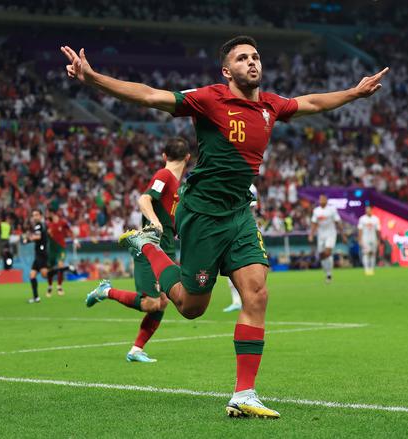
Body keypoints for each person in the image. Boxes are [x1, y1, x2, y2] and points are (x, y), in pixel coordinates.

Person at [62, 35, 388, 419]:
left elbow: (313, 102)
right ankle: (148, 246)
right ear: (226, 70)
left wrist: (354, 92)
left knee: (258, 293)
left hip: (238, 214)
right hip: (201, 214)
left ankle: (244, 394)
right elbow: (150, 95)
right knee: (189, 306)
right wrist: (94, 78)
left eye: (255, 57)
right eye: (242, 58)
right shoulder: (209, 98)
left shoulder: (270, 105)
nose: (252, 62)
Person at [86, 138, 191, 363]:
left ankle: (135, 350)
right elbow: (144, 199)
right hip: (149, 245)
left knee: (164, 300)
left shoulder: (179, 185)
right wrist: (155, 222)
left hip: (167, 247)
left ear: (164, 155)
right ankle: (105, 291)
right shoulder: (163, 177)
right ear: (188, 158)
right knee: (151, 303)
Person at [224, 183, 258, 313]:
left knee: (248, 267)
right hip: (231, 231)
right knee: (230, 267)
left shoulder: (250, 187)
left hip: (244, 231)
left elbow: (250, 209)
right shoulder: (228, 182)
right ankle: (236, 301)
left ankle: (248, 299)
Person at [309, 194, 342, 284]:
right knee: (322, 255)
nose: (322, 201)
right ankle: (327, 273)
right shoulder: (316, 211)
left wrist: (343, 234)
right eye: (320, 199)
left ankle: (329, 274)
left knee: (328, 252)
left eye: (323, 199)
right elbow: (314, 223)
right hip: (321, 235)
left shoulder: (332, 210)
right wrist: (311, 234)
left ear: (326, 200)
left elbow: (337, 222)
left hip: (331, 234)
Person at [46, 211, 76, 297]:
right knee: (50, 269)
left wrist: (75, 240)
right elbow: (47, 236)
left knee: (60, 265)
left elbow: (70, 230)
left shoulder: (62, 223)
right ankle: (50, 287)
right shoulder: (49, 225)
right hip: (52, 250)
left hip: (61, 248)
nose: (52, 215)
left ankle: (59, 287)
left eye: (53, 213)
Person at [22, 209, 48, 303]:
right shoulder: (39, 226)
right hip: (38, 254)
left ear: (40, 216)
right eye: (33, 215)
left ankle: (61, 270)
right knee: (32, 275)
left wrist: (27, 239)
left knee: (45, 275)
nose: (35, 217)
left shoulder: (39, 225)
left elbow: (38, 237)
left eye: (37, 214)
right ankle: (36, 297)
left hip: (41, 253)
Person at [357, 205, 381, 275]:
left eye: (369, 210)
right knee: (366, 253)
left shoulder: (376, 219)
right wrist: (360, 239)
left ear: (371, 210)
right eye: (367, 210)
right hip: (365, 238)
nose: (368, 211)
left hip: (373, 238)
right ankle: (366, 269)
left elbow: (378, 230)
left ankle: (372, 269)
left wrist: (378, 239)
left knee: (373, 253)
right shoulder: (362, 219)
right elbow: (360, 230)